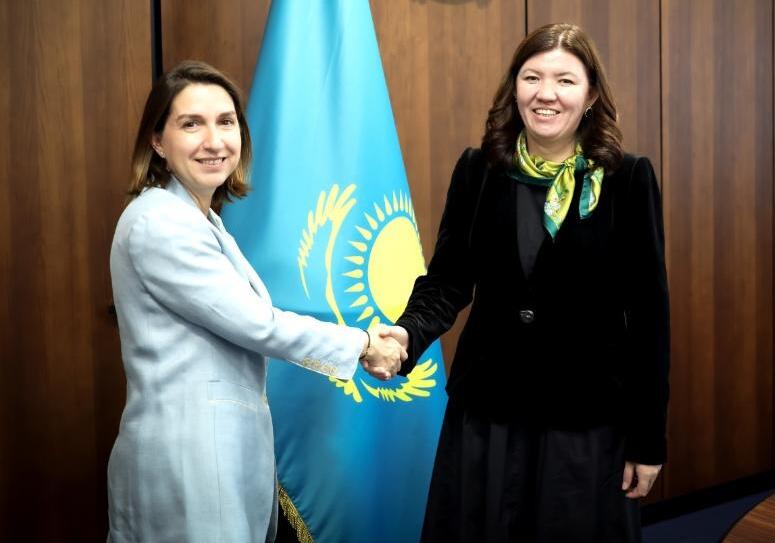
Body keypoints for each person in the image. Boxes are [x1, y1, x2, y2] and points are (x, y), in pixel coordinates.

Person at [383, 23, 670, 542]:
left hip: (584, 422)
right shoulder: (478, 170)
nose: (545, 93)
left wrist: (648, 440)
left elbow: (650, 319)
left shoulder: (627, 180)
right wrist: (406, 334)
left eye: (565, 80)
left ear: (591, 96)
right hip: (490, 414)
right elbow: (447, 281)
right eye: (532, 77)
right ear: (514, 88)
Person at [106, 61, 403, 543]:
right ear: (157, 141)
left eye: (225, 122)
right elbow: (258, 325)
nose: (214, 141)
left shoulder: (201, 219)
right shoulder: (159, 223)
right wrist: (364, 344)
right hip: (189, 462)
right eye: (191, 124)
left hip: (217, 458)